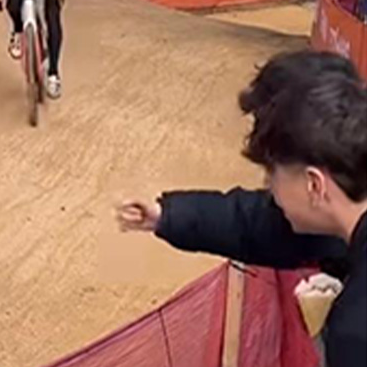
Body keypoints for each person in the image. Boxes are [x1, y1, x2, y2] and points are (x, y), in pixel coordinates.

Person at [116, 50, 366, 367]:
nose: (269, 191)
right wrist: (169, 216)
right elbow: (265, 225)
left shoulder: (356, 331)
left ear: (314, 185)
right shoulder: (346, 209)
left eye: (271, 176)